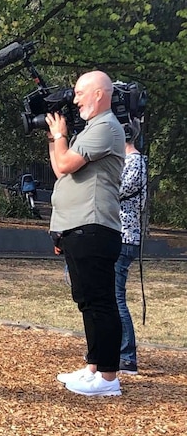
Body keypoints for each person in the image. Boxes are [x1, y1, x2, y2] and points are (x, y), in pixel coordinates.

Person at [46, 70, 125, 397]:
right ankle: (94, 368)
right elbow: (59, 166)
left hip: (94, 227)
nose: (75, 99)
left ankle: (108, 379)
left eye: (80, 93)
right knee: (88, 301)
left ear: (98, 94)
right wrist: (54, 137)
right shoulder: (92, 129)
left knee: (100, 302)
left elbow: (64, 165)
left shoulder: (106, 127)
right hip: (77, 228)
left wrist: (61, 135)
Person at [116, 118, 147, 375]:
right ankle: (115, 350)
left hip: (125, 236)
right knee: (110, 296)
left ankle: (127, 355)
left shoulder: (134, 161)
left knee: (116, 297)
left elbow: (117, 190)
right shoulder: (125, 161)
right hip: (117, 235)